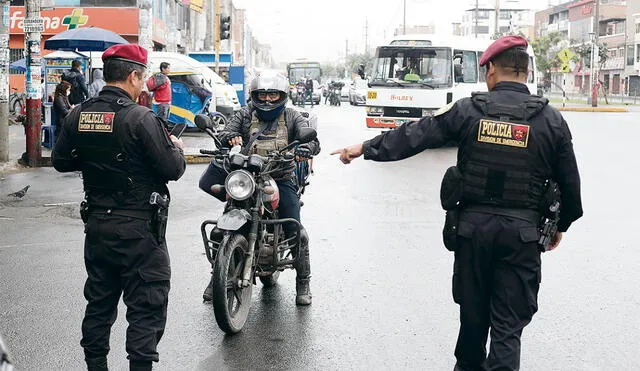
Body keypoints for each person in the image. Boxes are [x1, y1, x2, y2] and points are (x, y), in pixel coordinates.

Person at [331, 36, 583, 370]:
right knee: (508, 329)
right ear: (526, 71)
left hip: (473, 233)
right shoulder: (551, 120)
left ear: (491, 68)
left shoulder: (468, 110)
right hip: (521, 236)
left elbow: (417, 134)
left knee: (473, 321)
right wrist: (559, 227)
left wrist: (365, 148)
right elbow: (571, 189)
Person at [52, 44, 186, 371]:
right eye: (142, 78)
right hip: (140, 229)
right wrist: (176, 147)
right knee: (146, 306)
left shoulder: (79, 114)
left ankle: (95, 366)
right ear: (132, 75)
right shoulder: (141, 118)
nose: (143, 85)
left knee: (99, 303)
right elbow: (172, 169)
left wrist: (94, 158)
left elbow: (60, 161)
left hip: (97, 226)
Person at [199, 72, 320, 305]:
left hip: (280, 177)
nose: (267, 100)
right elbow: (225, 132)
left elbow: (311, 141)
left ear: (282, 95)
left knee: (294, 227)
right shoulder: (245, 114)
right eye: (262, 95)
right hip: (248, 178)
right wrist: (231, 137)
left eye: (272, 94)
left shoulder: (292, 116)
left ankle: (303, 281)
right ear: (254, 95)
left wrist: (305, 148)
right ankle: (219, 274)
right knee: (223, 224)